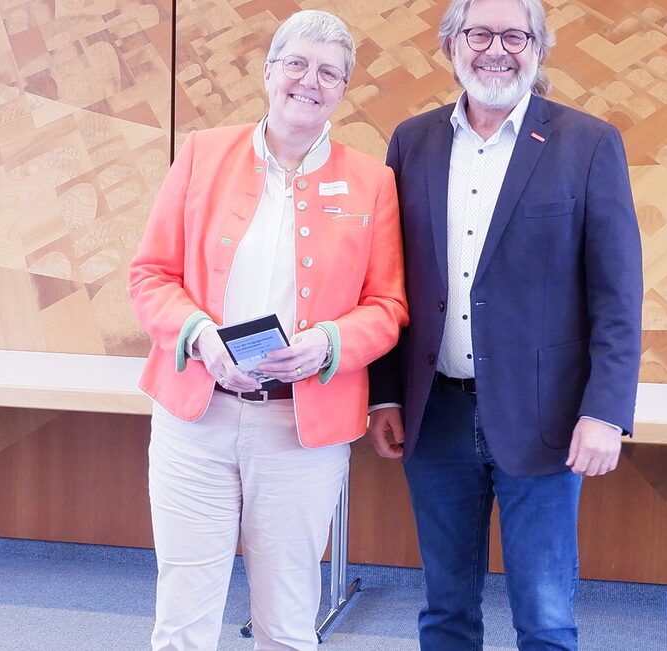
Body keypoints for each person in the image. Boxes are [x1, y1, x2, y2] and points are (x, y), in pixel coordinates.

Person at [366, 0, 642, 647]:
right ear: (451, 45)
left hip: (546, 420)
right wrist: (384, 390)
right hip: (435, 417)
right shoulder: (412, 140)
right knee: (444, 610)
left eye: (515, 34)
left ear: (539, 47)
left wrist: (605, 411)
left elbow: (618, 295)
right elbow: (386, 278)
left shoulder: (589, 144)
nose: (497, 48)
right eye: (480, 32)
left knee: (544, 617)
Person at [129, 10, 407, 650]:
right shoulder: (201, 153)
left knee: (286, 622)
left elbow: (387, 305)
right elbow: (150, 276)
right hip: (194, 421)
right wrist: (198, 334)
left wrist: (329, 343)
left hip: (300, 433)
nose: (310, 81)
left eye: (329, 72)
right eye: (297, 64)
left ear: (343, 89)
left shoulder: (373, 181)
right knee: (181, 619)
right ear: (269, 72)